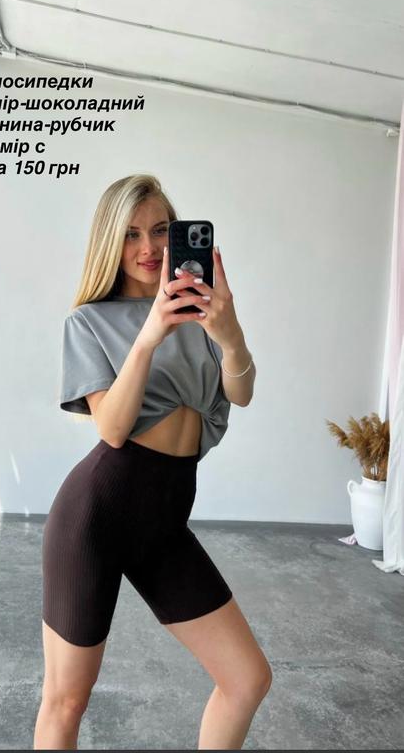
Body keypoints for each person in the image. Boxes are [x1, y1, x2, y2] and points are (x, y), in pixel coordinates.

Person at [34, 174, 272, 750]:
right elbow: (113, 428)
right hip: (95, 518)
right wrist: (149, 335)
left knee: (246, 680)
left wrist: (230, 334)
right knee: (66, 700)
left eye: (161, 230)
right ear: (109, 242)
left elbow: (240, 394)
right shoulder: (88, 321)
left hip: (163, 522)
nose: (149, 247)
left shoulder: (201, 312)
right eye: (131, 233)